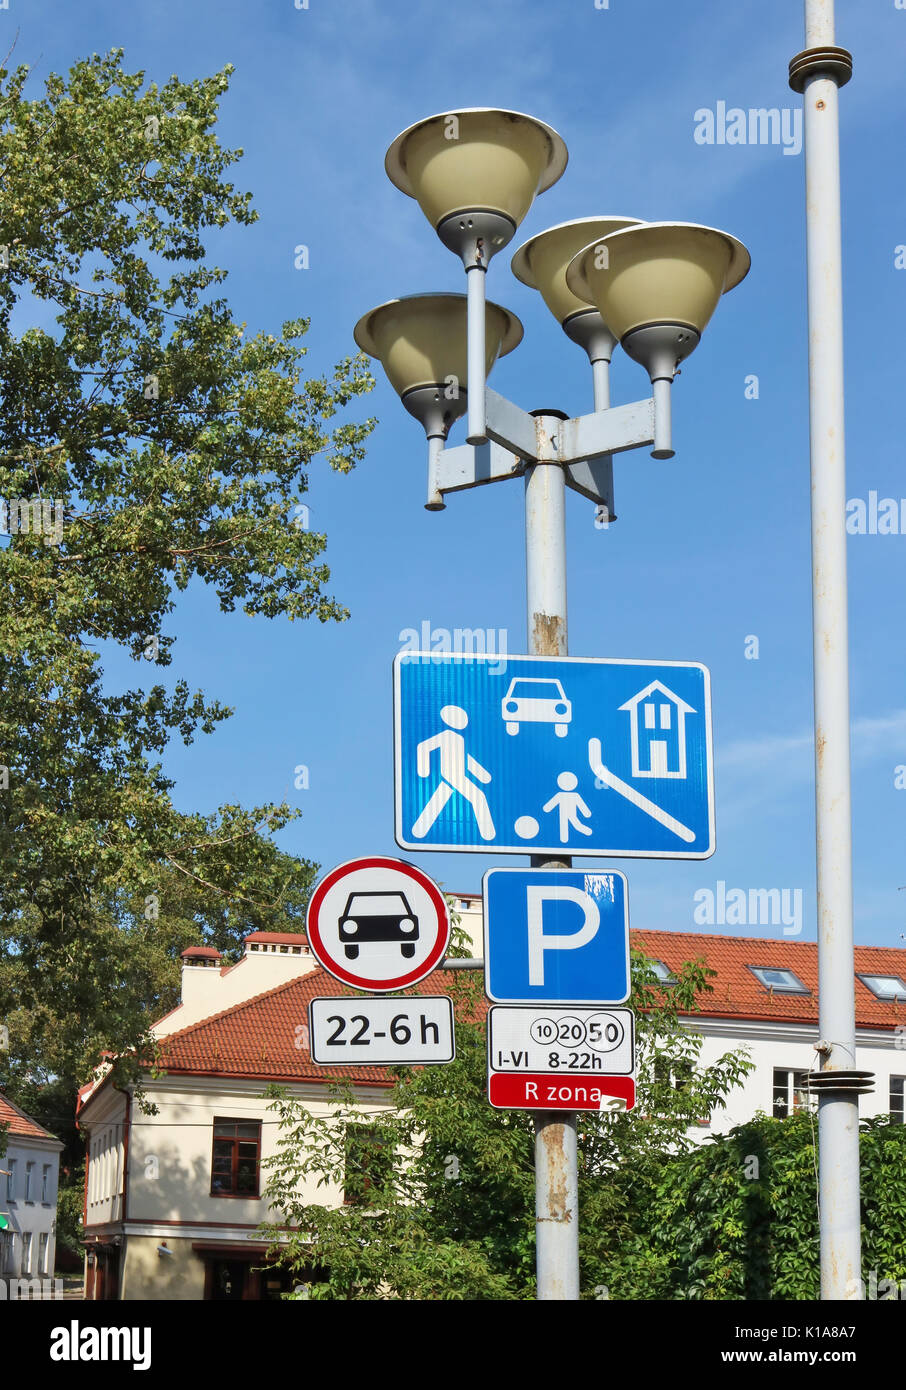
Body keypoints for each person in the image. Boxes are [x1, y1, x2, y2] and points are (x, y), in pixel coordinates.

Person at [411, 705, 495, 840]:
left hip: (455, 776)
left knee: (438, 800)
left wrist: (482, 775)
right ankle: (488, 834)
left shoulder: (459, 739)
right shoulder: (446, 735)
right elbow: (423, 747)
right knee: (479, 797)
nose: (464, 722)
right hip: (451, 775)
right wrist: (423, 770)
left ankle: (419, 831)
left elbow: (466, 759)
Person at [542, 771, 592, 844]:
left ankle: (587, 831)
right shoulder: (562, 795)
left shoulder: (574, 795)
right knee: (565, 826)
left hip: (571, 814)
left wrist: (586, 813)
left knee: (575, 825)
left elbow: (582, 806)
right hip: (563, 814)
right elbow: (549, 806)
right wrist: (586, 814)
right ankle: (564, 840)